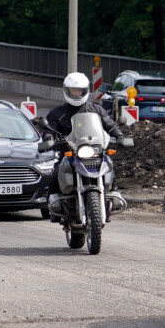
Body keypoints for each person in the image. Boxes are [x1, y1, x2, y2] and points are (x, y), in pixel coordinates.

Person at [40, 72, 130, 220]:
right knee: (56, 172)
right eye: (73, 91)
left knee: (110, 165)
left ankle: (111, 195)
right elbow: (50, 129)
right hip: (69, 152)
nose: (77, 94)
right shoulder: (58, 113)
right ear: (67, 91)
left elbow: (109, 124)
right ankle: (52, 207)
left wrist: (120, 136)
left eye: (80, 91)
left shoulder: (96, 109)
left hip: (94, 150)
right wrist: (49, 139)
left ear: (85, 91)